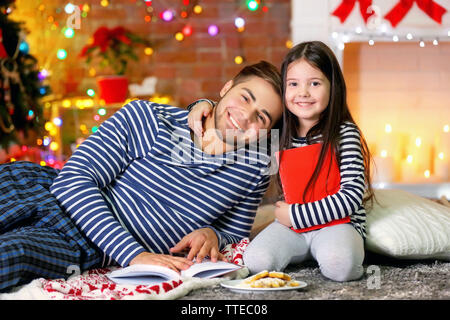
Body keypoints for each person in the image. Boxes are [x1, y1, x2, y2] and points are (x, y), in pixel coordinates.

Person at [0, 61, 283, 292]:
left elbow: (235, 235)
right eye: (245, 97)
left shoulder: (254, 167)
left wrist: (212, 234)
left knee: (13, 256)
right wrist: (135, 256)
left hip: (80, 244)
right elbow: (72, 180)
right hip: (46, 195)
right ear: (226, 87)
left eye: (262, 117)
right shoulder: (148, 117)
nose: (246, 116)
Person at [188, 41, 374, 282]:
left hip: (337, 223)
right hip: (291, 229)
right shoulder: (279, 133)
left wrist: (296, 216)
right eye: (293, 84)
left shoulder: (343, 133)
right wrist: (204, 105)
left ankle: (330, 251)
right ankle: (311, 253)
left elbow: (350, 197)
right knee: (257, 261)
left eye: (315, 83)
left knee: (341, 265)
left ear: (333, 87)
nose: (303, 93)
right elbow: (238, 121)